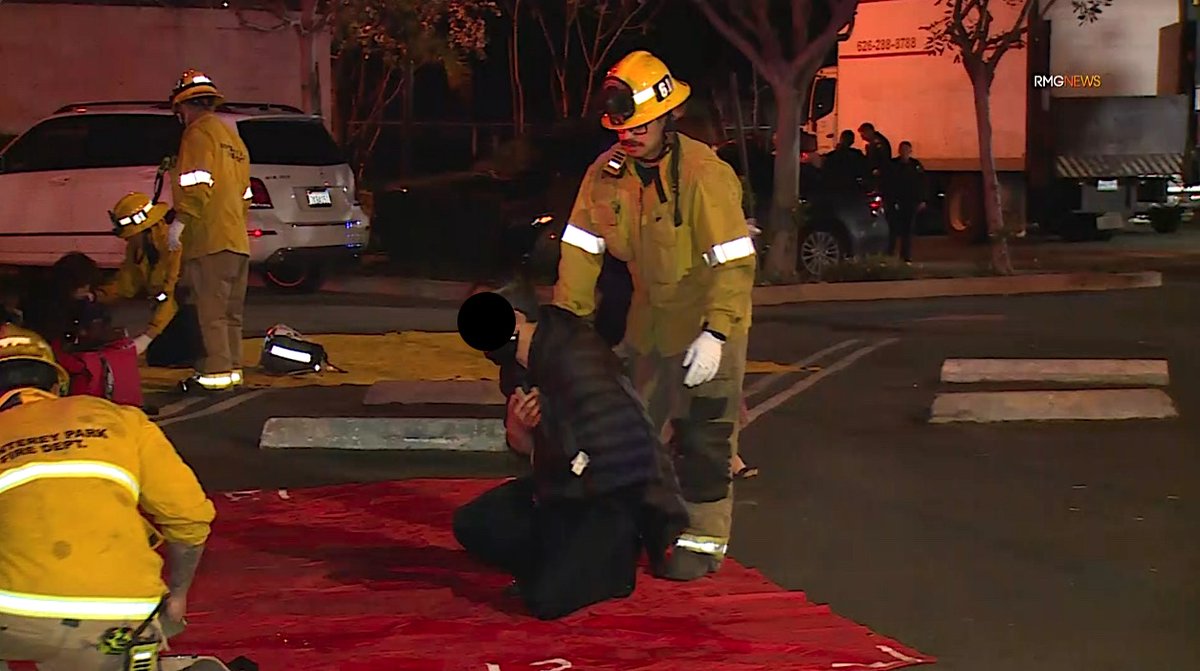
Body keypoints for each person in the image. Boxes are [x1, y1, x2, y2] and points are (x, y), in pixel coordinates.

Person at [553, 50, 756, 581]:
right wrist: (565, 327)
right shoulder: (607, 175)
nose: (632, 134)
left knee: (706, 440)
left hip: (710, 323)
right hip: (649, 324)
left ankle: (704, 544)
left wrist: (716, 332)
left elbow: (733, 264)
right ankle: (651, 523)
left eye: (643, 124)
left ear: (669, 117)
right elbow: (580, 251)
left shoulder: (703, 175)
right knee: (632, 429)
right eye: (625, 125)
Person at [453, 284, 689, 620]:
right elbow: (529, 451)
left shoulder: (576, 358)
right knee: (473, 524)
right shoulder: (518, 369)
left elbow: (614, 450)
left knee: (544, 600)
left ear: (515, 319)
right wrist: (522, 428)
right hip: (562, 484)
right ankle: (563, 555)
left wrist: (551, 441)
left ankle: (613, 562)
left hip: (610, 493)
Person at [0, 324, 215, 670]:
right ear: (57, 383)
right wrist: (177, 596)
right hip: (121, 617)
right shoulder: (119, 420)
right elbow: (189, 515)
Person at [169, 69, 252, 393]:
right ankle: (232, 371)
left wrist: (181, 221)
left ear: (183, 107)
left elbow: (197, 185)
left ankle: (214, 378)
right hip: (237, 241)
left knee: (211, 315)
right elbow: (244, 194)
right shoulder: (233, 138)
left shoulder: (197, 134)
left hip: (210, 240)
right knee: (231, 315)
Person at [95, 192, 185, 357]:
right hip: (166, 316)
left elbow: (171, 294)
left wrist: (148, 337)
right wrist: (97, 296)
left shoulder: (172, 246)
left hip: (187, 312)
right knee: (160, 355)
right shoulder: (138, 249)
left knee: (168, 354)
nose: (127, 240)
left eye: (130, 235)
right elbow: (126, 284)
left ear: (143, 229)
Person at [887, 141, 930, 263]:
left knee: (908, 230)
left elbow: (923, 183)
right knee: (893, 229)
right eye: (903, 150)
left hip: (910, 202)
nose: (905, 152)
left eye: (907, 150)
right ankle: (889, 255)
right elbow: (889, 184)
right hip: (896, 201)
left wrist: (923, 199)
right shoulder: (893, 165)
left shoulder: (915, 166)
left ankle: (905, 257)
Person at [857, 122, 893, 191]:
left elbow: (881, 158)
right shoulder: (873, 142)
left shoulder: (877, 142)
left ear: (868, 131)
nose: (862, 137)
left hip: (880, 175)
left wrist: (877, 169)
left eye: (863, 134)